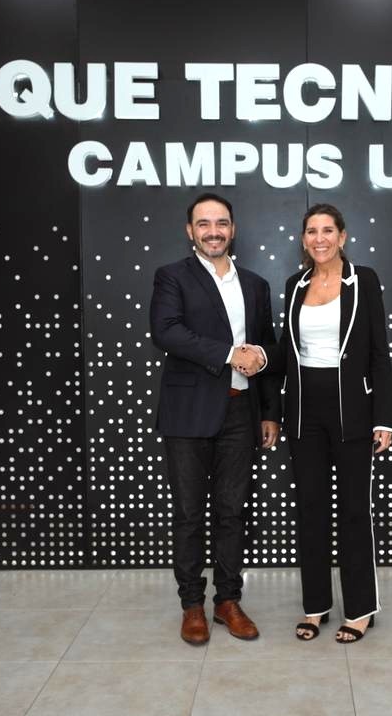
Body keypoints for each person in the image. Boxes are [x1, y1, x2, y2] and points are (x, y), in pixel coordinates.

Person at [261, 203, 392, 643]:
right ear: (303, 239)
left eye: (327, 230)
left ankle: (359, 610)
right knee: (311, 510)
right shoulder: (295, 284)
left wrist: (384, 418)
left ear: (342, 236)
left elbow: (379, 352)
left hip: (353, 409)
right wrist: (267, 392)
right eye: (311, 231)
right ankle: (315, 606)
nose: (319, 239)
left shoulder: (364, 280)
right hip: (304, 410)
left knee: (355, 511)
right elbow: (287, 352)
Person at [149, 192, 280, 645]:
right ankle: (192, 604)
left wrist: (269, 411)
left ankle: (228, 601)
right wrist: (229, 354)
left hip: (242, 412)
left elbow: (267, 347)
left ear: (233, 229)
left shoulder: (255, 284)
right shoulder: (172, 277)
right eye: (203, 224)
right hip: (188, 413)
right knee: (189, 514)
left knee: (232, 512)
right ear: (190, 231)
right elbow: (166, 332)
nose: (213, 231)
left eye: (221, 223)